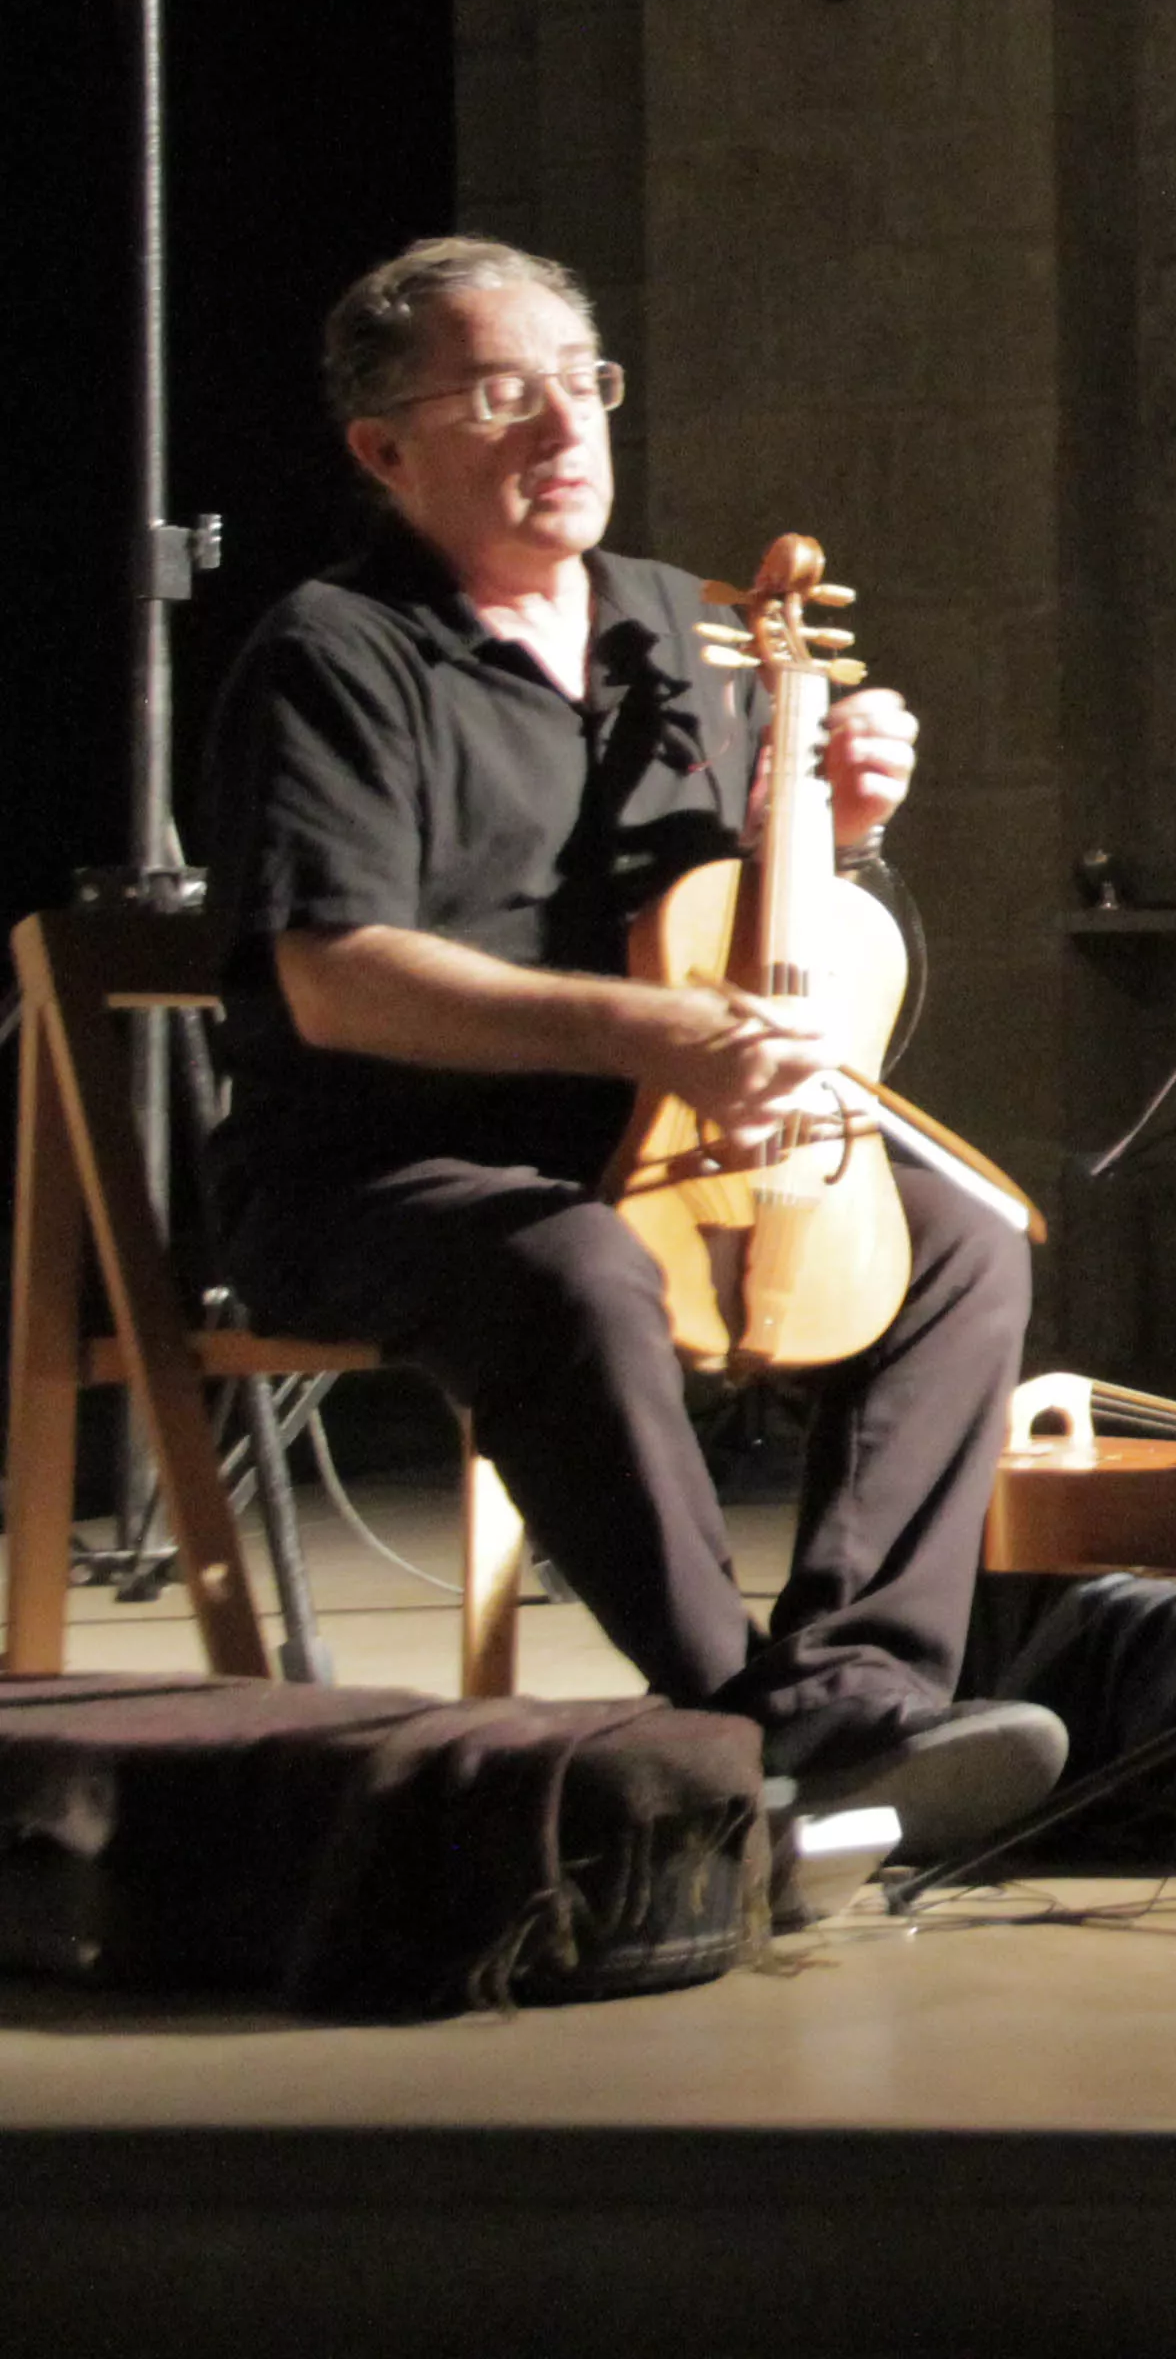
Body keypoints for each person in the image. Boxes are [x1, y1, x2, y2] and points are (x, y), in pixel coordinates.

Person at [199, 238, 1056, 1865]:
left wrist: (839, 833)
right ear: (385, 452)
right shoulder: (335, 653)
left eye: (579, 387)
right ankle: (743, 1728)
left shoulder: (690, 630)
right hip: (390, 1170)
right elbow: (337, 979)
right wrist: (641, 1031)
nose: (562, 431)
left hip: (657, 1140)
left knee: (961, 1246)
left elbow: (731, 920)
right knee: (582, 1271)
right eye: (500, 396)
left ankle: (858, 1694)